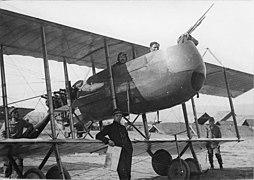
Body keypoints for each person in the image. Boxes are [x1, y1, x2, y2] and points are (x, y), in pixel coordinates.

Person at [96, 108, 133, 180]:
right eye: (117, 116)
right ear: (113, 117)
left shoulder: (123, 128)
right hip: (117, 152)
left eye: (120, 116)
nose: (119, 117)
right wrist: (108, 140)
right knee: (122, 172)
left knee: (128, 172)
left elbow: (127, 139)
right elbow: (98, 136)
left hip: (127, 151)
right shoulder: (109, 127)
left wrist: (130, 149)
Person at [0, 107, 34, 178]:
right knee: (7, 164)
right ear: (11, 115)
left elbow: (30, 126)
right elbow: (2, 134)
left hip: (18, 145)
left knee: (19, 163)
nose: (17, 114)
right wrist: (6, 140)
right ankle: (7, 176)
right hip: (9, 145)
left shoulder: (21, 122)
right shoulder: (7, 123)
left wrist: (25, 134)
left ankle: (17, 177)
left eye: (17, 112)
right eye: (15, 113)